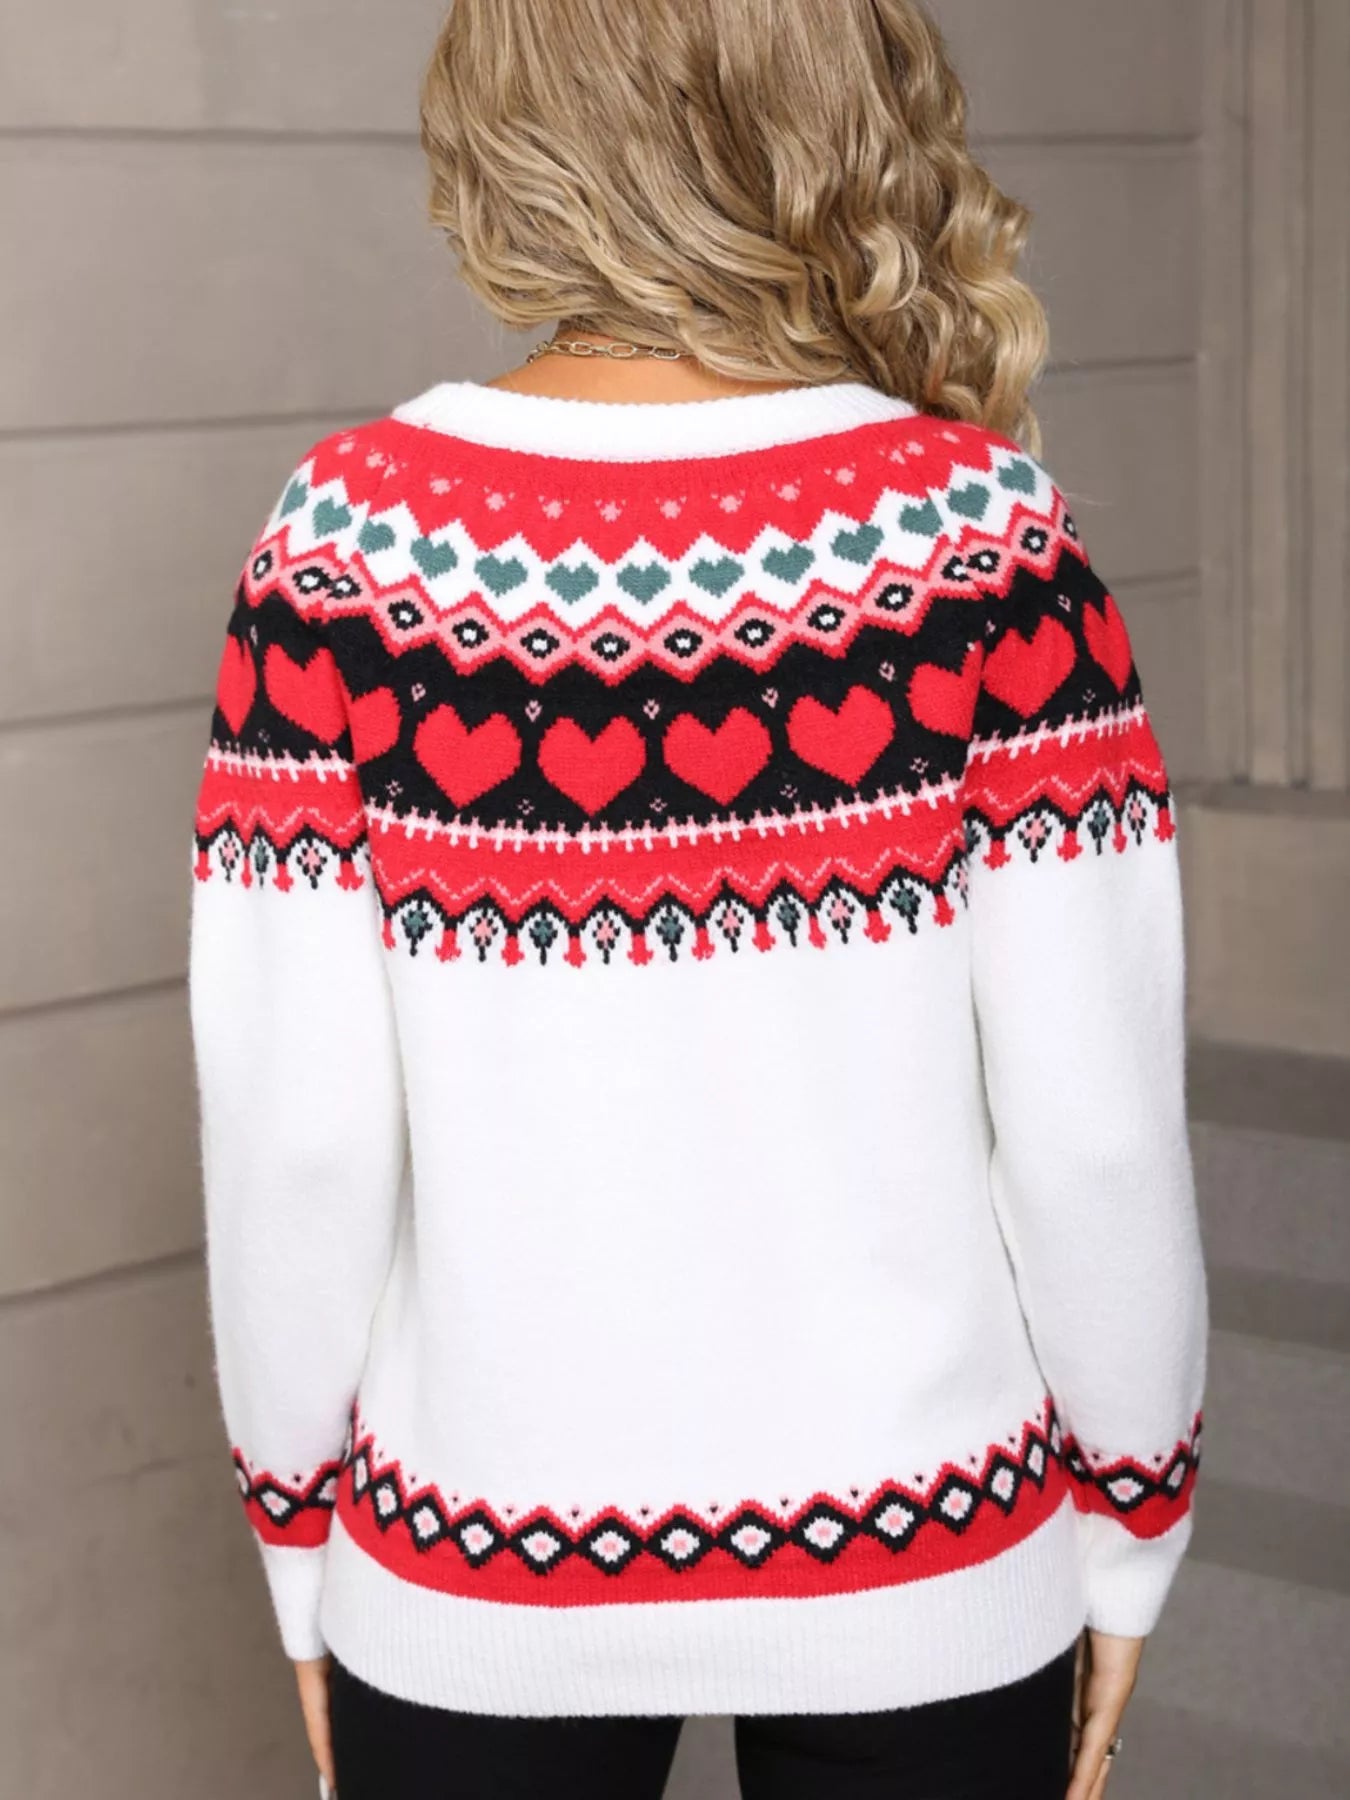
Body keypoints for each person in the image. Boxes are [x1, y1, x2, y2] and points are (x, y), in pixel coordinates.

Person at [187, 2, 1207, 1795]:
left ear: (507, 124)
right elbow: (1093, 1131)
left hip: (471, 1562)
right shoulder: (982, 538)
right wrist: (1132, 1518)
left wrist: (297, 1537)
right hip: (930, 1554)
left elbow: (296, 1134)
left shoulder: (347, 541)